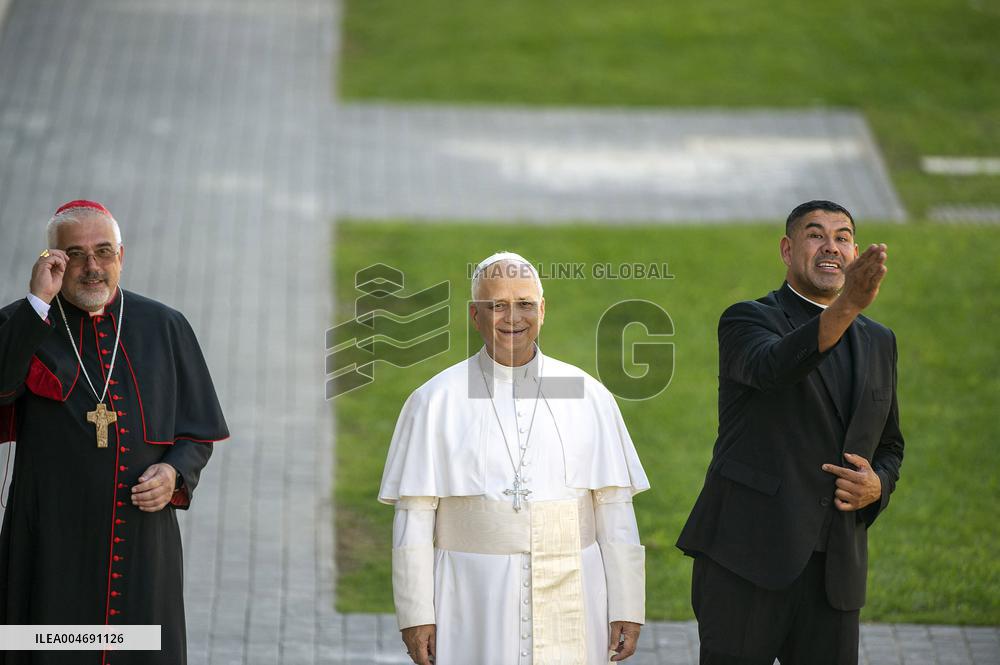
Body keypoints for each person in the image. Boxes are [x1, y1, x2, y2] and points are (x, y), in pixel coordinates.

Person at [378, 251, 649, 665]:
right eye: (497, 305)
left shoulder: (587, 394)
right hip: (471, 598)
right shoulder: (435, 401)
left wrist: (627, 605)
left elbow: (614, 506)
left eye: (524, 304)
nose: (512, 317)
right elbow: (414, 515)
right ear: (475, 315)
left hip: (573, 589)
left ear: (542, 310)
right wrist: (416, 614)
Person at [0, 200, 229, 664]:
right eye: (74, 255)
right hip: (49, 540)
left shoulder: (164, 326)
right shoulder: (21, 323)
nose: (91, 268)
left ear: (121, 256)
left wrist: (173, 473)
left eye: (103, 252)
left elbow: (198, 430)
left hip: (143, 544)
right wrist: (36, 304)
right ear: (52, 262)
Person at [676, 200, 905, 664]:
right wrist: (847, 306)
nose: (831, 247)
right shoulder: (747, 320)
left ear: (856, 252)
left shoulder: (880, 341)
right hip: (746, 560)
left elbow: (890, 444)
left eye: (842, 237)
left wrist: (878, 484)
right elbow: (773, 368)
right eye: (816, 234)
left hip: (835, 573)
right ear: (787, 249)